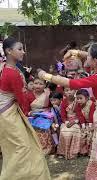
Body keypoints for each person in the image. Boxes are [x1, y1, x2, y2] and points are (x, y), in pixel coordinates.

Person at [38, 42, 97, 179]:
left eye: (89, 56)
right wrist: (74, 52)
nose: (85, 58)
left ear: (95, 61)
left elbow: (72, 84)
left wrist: (45, 75)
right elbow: (96, 57)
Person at [0, 37, 50, 179]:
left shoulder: (6, 67)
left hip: (8, 113)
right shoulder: (12, 72)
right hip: (9, 114)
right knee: (21, 148)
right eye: (20, 49)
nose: (23, 52)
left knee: (17, 148)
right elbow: (21, 98)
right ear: (9, 51)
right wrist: (29, 111)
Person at [26, 78, 54, 155]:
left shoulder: (48, 94)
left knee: (44, 126)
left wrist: (46, 112)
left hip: (46, 116)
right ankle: (34, 148)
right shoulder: (28, 95)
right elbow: (25, 110)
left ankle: (45, 148)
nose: (38, 85)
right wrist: (31, 113)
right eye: (36, 83)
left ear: (45, 85)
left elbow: (52, 106)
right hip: (32, 117)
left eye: (41, 84)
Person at [57, 87, 82, 159]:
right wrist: (66, 122)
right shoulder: (64, 102)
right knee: (63, 131)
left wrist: (75, 121)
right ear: (64, 92)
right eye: (67, 90)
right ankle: (62, 152)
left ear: (75, 91)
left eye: (71, 90)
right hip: (67, 121)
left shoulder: (78, 101)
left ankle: (73, 153)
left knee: (76, 130)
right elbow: (63, 115)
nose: (69, 92)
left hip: (77, 121)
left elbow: (81, 114)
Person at [76, 89, 95, 156]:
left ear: (87, 98)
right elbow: (80, 115)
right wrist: (83, 125)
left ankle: (90, 152)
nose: (78, 100)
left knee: (90, 134)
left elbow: (91, 115)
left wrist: (90, 125)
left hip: (92, 123)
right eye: (77, 98)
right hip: (84, 123)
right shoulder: (78, 105)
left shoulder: (91, 104)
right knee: (82, 134)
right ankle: (83, 151)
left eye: (80, 98)